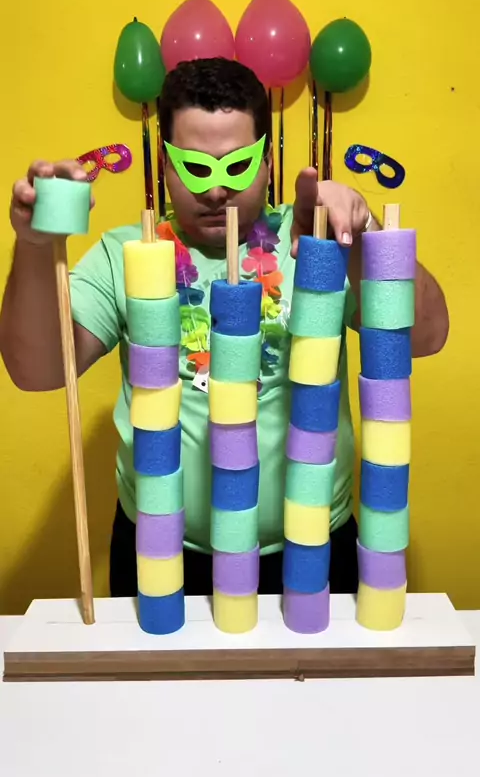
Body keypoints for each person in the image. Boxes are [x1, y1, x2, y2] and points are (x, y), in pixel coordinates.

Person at [0, 58, 449, 598]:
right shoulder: (128, 253)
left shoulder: (315, 242)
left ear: (267, 163)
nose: (216, 191)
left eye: (237, 166)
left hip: (311, 546)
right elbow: (38, 371)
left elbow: (427, 337)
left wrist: (364, 232)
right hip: (164, 552)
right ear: (166, 164)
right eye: (195, 167)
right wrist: (34, 245)